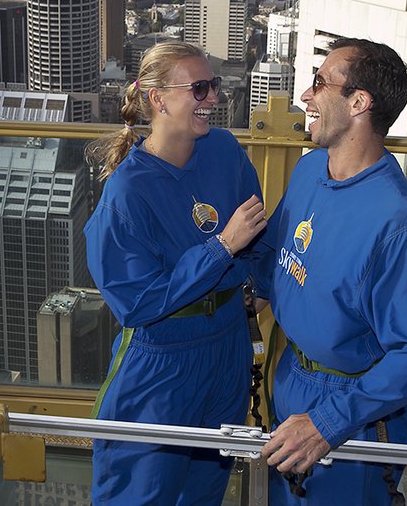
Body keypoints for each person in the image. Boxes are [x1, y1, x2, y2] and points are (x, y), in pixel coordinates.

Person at [253, 38, 407, 504]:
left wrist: (327, 422)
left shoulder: (397, 223)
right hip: (291, 385)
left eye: (320, 83)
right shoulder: (309, 171)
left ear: (359, 102)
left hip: (353, 417)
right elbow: (274, 263)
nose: (306, 95)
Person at [84, 41, 268, 504]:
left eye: (215, 86)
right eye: (199, 88)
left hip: (227, 346)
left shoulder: (225, 150)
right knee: (141, 493)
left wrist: (256, 287)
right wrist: (220, 247)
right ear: (157, 98)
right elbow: (137, 303)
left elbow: (258, 237)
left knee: (204, 492)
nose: (213, 99)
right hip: (163, 360)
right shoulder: (127, 191)